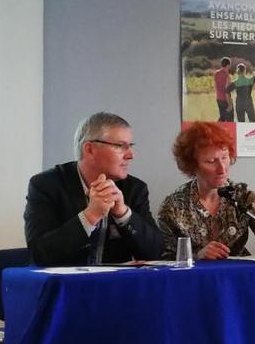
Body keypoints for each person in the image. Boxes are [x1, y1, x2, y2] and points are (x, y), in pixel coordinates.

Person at [158, 121, 255, 259]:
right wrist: (197, 255)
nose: (222, 169)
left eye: (225, 158)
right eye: (211, 161)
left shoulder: (242, 196)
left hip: (238, 279)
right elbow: (163, 258)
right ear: (192, 165)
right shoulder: (173, 207)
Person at [24, 112, 163, 266]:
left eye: (130, 146)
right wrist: (90, 216)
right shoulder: (47, 185)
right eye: (120, 146)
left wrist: (123, 214)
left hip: (116, 286)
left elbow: (155, 253)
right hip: (68, 287)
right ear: (90, 149)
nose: (130, 155)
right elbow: (39, 254)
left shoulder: (134, 189)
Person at [213, 56, 233, 122]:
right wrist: (229, 104)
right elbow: (227, 90)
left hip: (218, 99)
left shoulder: (216, 73)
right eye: (229, 65)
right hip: (226, 100)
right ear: (228, 65)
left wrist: (218, 96)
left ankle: (216, 128)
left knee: (222, 117)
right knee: (230, 120)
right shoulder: (227, 76)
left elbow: (215, 86)